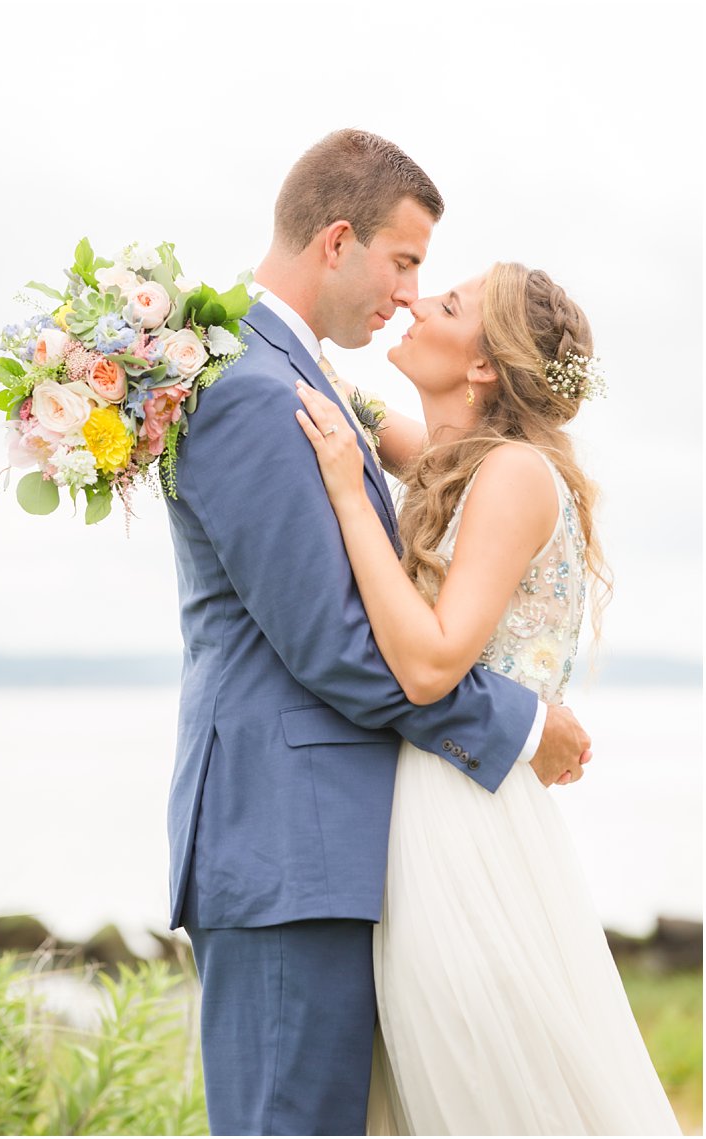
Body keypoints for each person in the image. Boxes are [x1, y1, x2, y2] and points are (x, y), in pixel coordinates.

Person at [162, 130, 593, 1134]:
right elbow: (340, 649)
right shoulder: (257, 393)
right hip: (287, 846)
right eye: (406, 265)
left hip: (346, 845)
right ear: (338, 241)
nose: (408, 294)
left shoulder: (301, 383)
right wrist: (522, 724)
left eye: (433, 287)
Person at [295, 263, 678, 1134]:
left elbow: (430, 666)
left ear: (481, 369)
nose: (418, 300)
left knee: (488, 1092)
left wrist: (351, 498)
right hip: (438, 803)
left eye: (449, 303)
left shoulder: (510, 474)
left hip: (460, 821)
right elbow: (338, 395)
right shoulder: (458, 462)